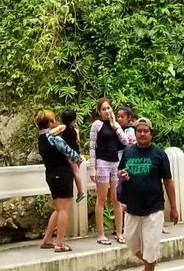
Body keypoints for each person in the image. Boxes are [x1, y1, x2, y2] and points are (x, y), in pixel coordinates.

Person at [117, 118, 179, 271]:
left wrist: (173, 207)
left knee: (151, 247)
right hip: (132, 208)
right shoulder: (128, 152)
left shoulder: (159, 154)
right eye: (139, 131)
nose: (142, 134)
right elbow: (120, 172)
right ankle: (147, 265)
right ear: (135, 133)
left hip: (154, 208)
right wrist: (121, 175)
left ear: (151, 133)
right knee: (131, 242)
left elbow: (168, 181)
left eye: (145, 131)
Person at [90, 97, 134, 245]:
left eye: (108, 108)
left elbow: (125, 141)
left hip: (116, 163)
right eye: (103, 109)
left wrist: (115, 125)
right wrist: (92, 167)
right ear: (99, 111)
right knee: (102, 199)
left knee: (116, 199)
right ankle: (100, 234)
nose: (106, 111)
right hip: (102, 163)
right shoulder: (97, 125)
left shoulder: (116, 125)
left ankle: (120, 232)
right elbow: (92, 146)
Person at [37, 109, 82, 252]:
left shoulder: (41, 138)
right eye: (53, 119)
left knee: (58, 208)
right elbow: (70, 152)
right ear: (50, 122)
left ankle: (47, 239)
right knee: (63, 209)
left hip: (50, 174)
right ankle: (60, 243)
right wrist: (79, 158)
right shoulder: (53, 138)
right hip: (62, 174)